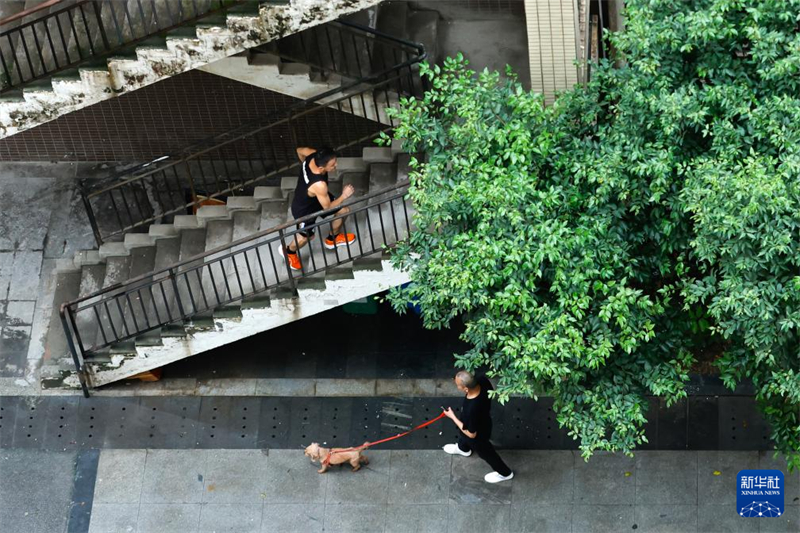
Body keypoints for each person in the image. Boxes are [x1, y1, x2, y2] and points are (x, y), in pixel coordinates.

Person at [278, 146, 356, 271]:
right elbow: (327, 208)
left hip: (317, 198)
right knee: (305, 238)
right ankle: (289, 251)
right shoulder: (319, 185)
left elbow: (299, 150)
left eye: (335, 161)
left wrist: (304, 168)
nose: (336, 165)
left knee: (343, 211)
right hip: (304, 210)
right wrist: (344, 195)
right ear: (321, 168)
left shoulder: (312, 155)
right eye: (332, 165)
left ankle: (333, 238)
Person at [442, 370, 514, 483]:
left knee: (488, 454)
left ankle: (505, 473)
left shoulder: (473, 409)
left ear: (466, 389)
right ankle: (463, 449)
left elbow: (471, 433)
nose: (456, 386)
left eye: (457, 385)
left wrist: (452, 417)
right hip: (484, 422)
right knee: (463, 435)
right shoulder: (482, 381)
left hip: (478, 435)